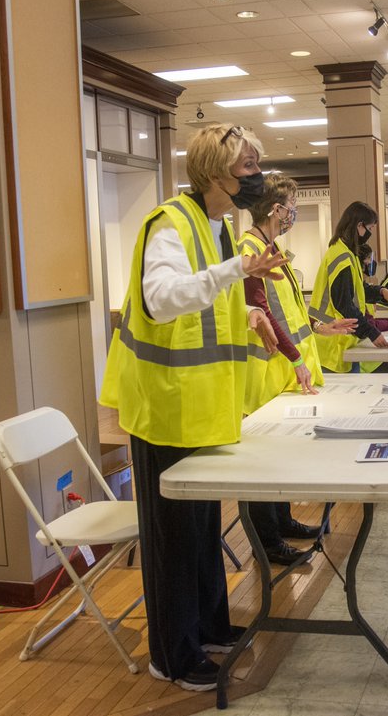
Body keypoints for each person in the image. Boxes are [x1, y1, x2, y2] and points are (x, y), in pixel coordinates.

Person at [100, 123, 289, 691]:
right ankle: (172, 654)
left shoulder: (216, 227)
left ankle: (209, 624)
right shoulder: (169, 223)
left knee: (204, 527)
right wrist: (238, 273)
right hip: (164, 406)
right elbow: (161, 303)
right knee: (173, 537)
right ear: (214, 172)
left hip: (202, 407)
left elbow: (209, 305)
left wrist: (249, 315)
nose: (256, 175)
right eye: (248, 166)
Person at [239, 173, 357, 564]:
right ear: (275, 210)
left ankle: (284, 521)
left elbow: (290, 307)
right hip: (267, 371)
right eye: (291, 208)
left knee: (279, 456)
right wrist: (294, 358)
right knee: (262, 462)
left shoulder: (270, 246)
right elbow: (265, 312)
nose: (293, 215)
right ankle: (266, 542)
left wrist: (322, 327)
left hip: (286, 368)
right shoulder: (251, 249)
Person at [308, 201, 388, 372]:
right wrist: (372, 333)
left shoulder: (344, 252)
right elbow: (344, 304)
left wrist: (380, 291)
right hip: (333, 341)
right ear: (359, 226)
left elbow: (357, 289)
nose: (370, 233)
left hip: (336, 339)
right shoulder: (342, 257)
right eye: (370, 228)